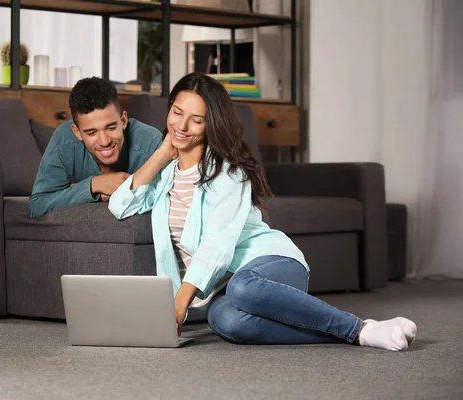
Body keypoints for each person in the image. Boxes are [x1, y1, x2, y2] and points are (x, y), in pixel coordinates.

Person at [108, 72, 417, 351]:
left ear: (211, 123)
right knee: (225, 322)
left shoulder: (228, 173)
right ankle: (361, 333)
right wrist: (162, 153)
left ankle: (356, 326)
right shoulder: (165, 176)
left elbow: (217, 245)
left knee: (244, 287)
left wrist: (180, 301)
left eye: (196, 119)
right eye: (177, 112)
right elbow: (120, 205)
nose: (182, 126)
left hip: (274, 267)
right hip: (227, 290)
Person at [29, 77, 163, 218]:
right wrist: (93, 185)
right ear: (77, 132)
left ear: (123, 121)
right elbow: (37, 206)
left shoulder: (150, 142)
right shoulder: (64, 140)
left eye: (111, 128)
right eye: (92, 133)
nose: (104, 142)